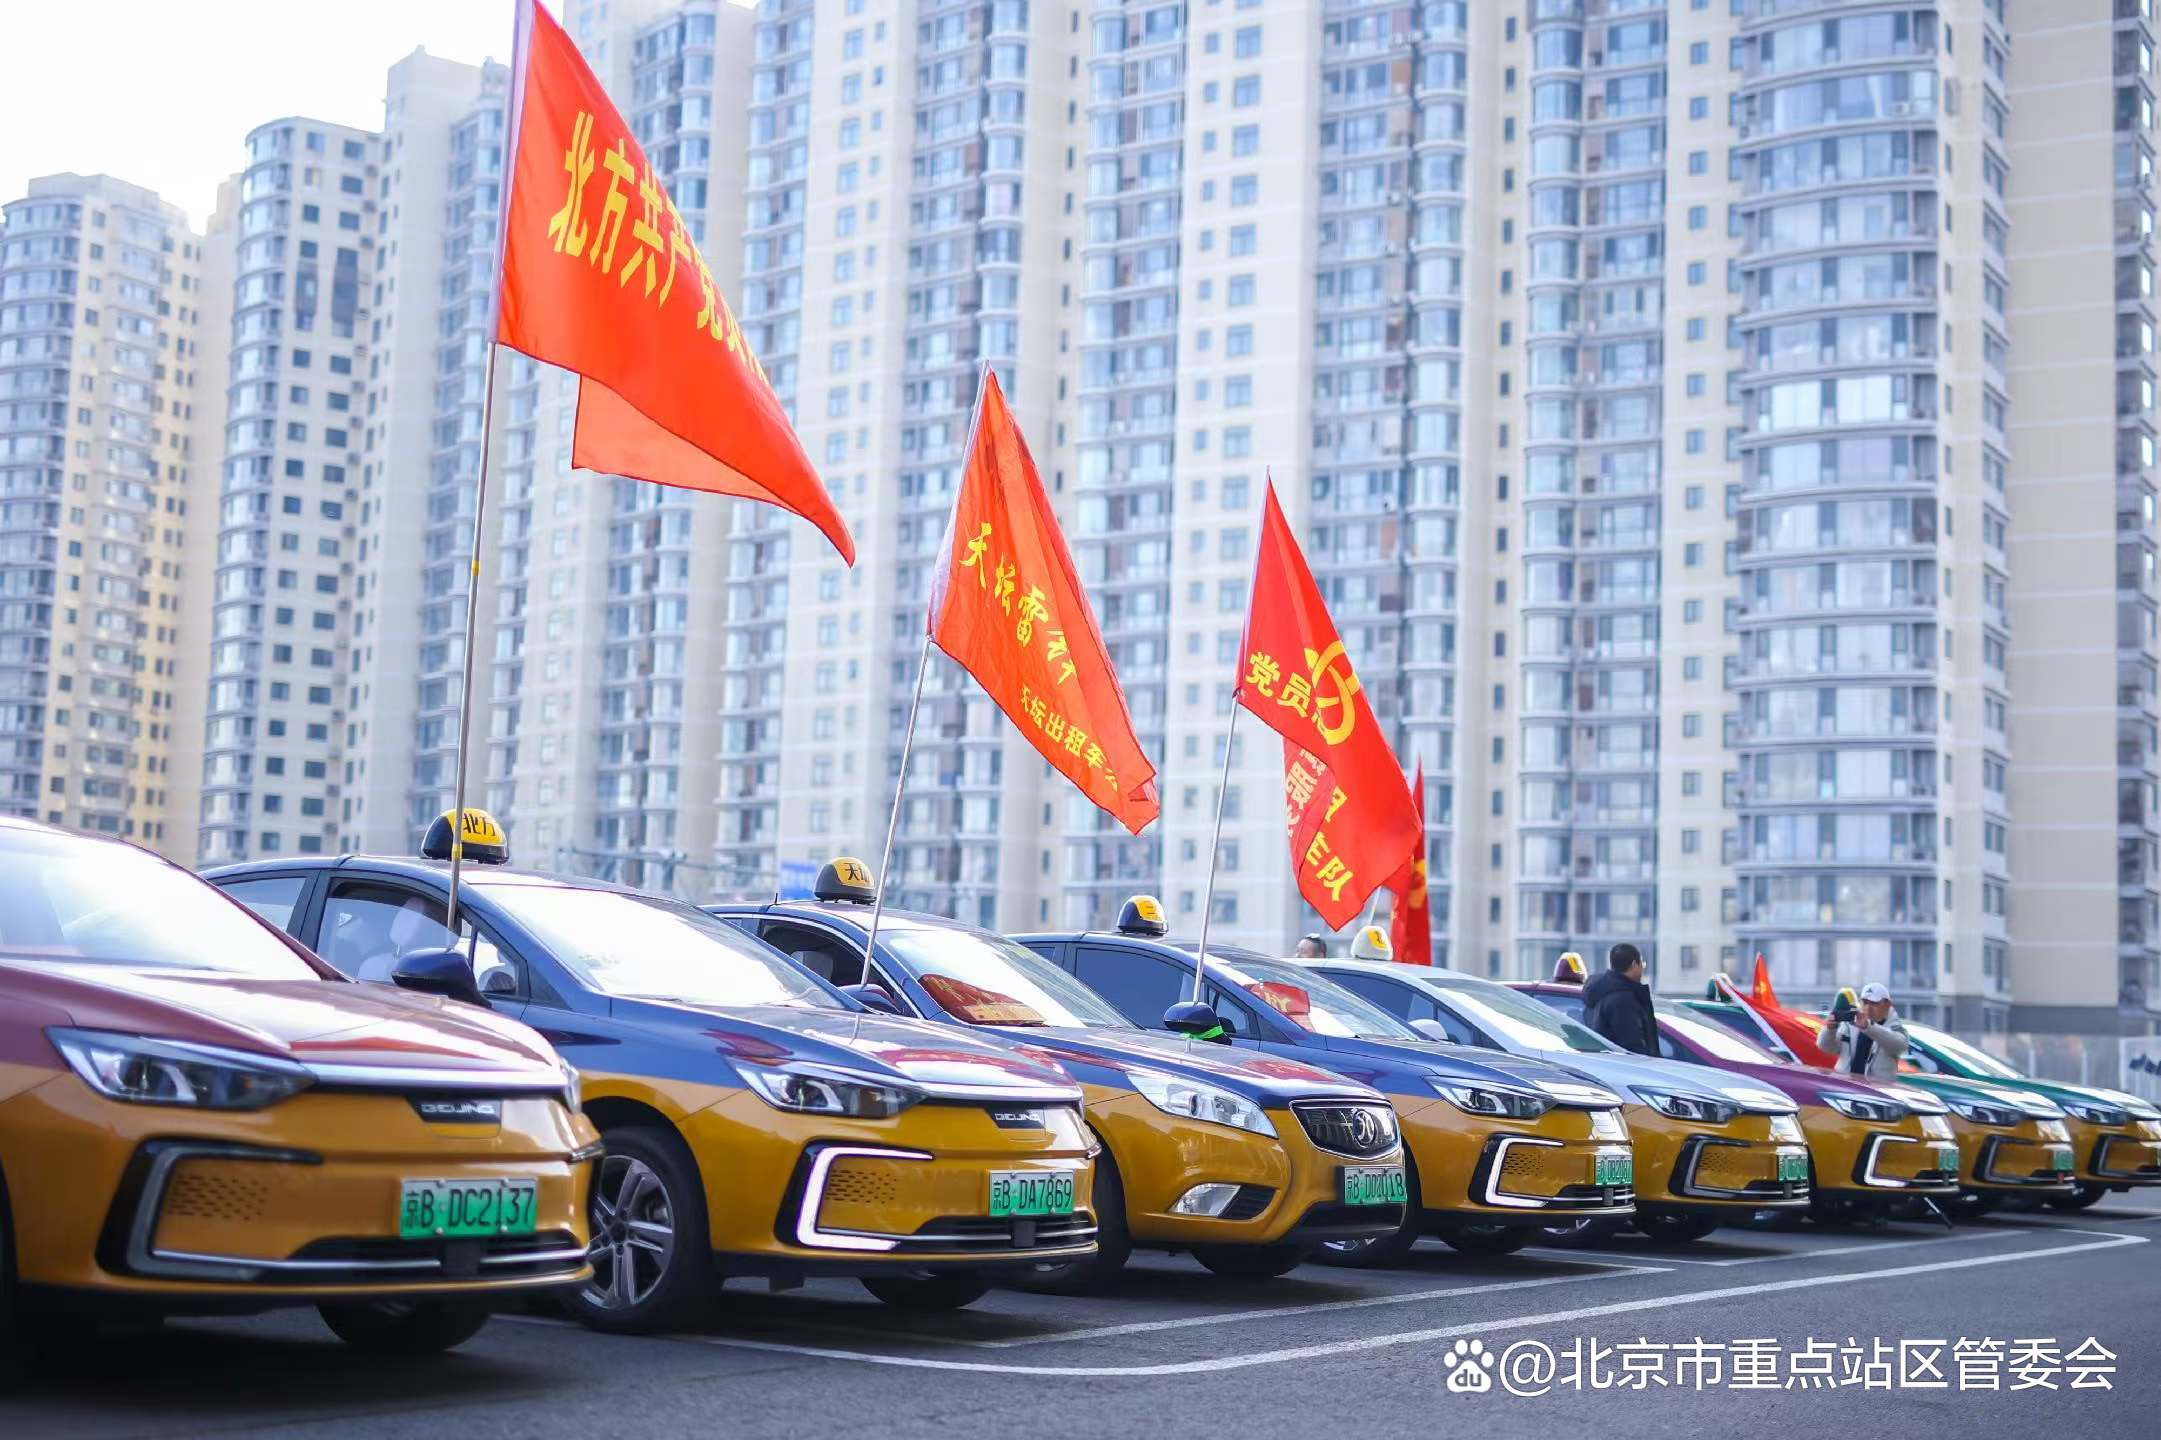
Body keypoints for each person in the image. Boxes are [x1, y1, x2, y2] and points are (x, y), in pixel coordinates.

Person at [1581, 942, 1658, 1056]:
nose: (1642, 968)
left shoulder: (1601, 992)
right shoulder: (1623, 1000)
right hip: (1627, 1064)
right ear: (1634, 964)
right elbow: (1632, 1045)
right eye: (1642, 964)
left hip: (1605, 1062)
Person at [1819, 982, 1908, 1077]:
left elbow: (1899, 1046)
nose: (1868, 1008)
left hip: (1877, 1085)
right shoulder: (1851, 1021)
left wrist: (1869, 1027)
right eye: (1865, 1003)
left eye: (1874, 1003)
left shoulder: (1893, 1024)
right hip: (1846, 1083)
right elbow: (1827, 1048)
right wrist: (1830, 1030)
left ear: (1887, 1005)